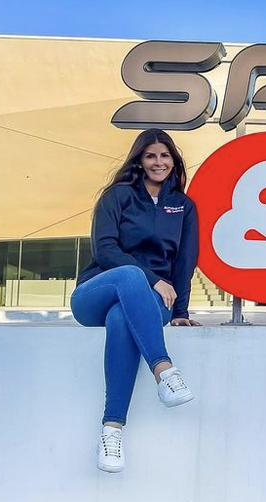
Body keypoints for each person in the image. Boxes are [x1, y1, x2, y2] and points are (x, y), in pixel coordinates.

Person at [71, 128, 201, 473]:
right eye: (150, 156)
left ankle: (111, 431)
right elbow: (105, 249)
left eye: (165, 155)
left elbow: (185, 262)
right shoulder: (118, 196)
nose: (158, 162)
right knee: (130, 276)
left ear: (174, 161)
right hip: (97, 292)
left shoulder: (184, 206)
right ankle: (164, 370)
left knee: (121, 318)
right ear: (139, 160)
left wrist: (181, 310)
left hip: (150, 302)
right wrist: (153, 279)